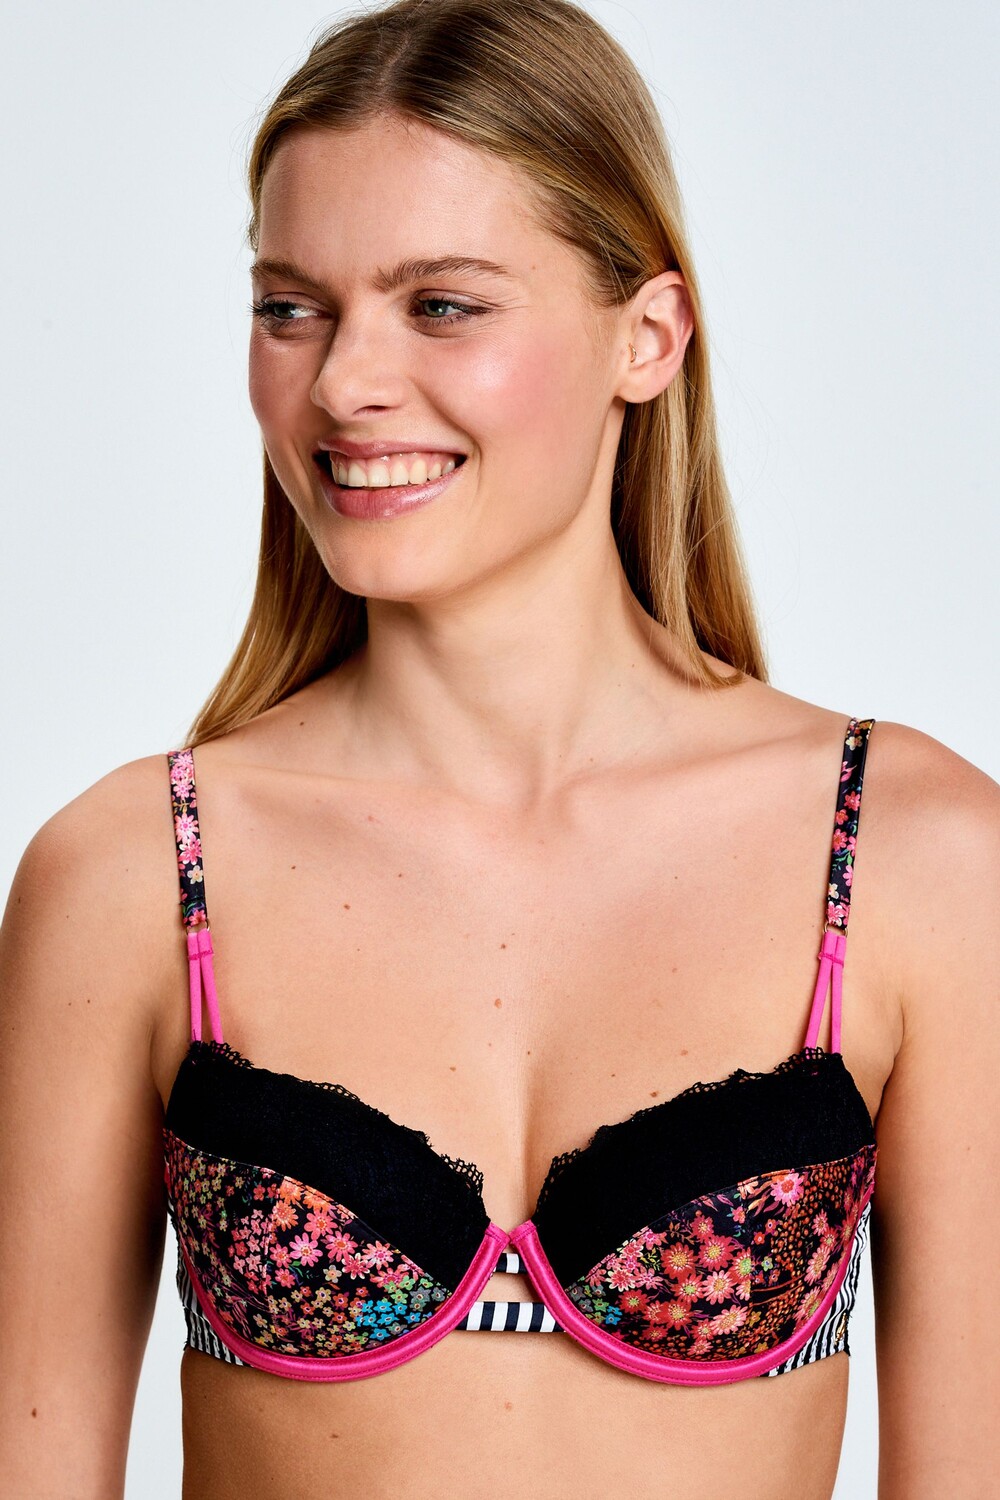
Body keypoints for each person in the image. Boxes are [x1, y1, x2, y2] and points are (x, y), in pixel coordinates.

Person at [1, 0, 996, 1496]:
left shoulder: (916, 861)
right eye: (291, 308)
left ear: (647, 338)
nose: (345, 382)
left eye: (443, 306)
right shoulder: (132, 874)